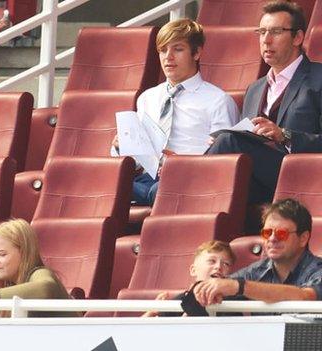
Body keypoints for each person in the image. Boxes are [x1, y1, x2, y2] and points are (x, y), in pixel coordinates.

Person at [207, 1, 322, 205]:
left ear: (298, 37)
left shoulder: (318, 77)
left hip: (305, 174)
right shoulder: (254, 89)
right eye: (261, 32)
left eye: (276, 32)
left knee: (228, 142)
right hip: (262, 182)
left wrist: (285, 135)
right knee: (223, 145)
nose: (266, 41)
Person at [113, 18, 238, 205]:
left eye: (177, 49)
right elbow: (137, 160)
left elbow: (223, 162)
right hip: (147, 179)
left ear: (196, 53)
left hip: (190, 180)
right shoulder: (147, 98)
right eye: (163, 50)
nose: (168, 57)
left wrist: (181, 164)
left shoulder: (218, 101)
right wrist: (120, 147)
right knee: (101, 183)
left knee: (160, 190)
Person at [193, 198, 322, 307]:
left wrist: (240, 287)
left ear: (303, 238)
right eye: (267, 233)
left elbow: (305, 297)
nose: (272, 238)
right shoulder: (254, 272)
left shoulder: (318, 270)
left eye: (281, 233)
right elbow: (225, 288)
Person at [0, 219, 76, 317]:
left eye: (2, 254)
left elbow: (46, 287)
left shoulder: (40, 273)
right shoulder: (9, 287)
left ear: (24, 253)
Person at [143, 240, 236, 317]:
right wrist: (149, 315)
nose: (218, 267)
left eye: (226, 264)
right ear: (193, 270)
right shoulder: (179, 301)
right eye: (212, 261)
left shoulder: (232, 303)